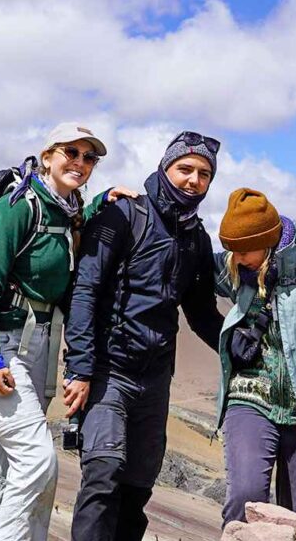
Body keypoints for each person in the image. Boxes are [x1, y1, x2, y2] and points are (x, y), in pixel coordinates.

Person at [63, 131, 228, 541]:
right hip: (108, 371)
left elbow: (201, 312)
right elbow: (85, 290)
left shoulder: (196, 238)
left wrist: (242, 346)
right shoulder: (124, 216)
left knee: (138, 488)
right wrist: (80, 368)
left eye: (204, 174)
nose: (193, 180)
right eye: (185, 169)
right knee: (103, 474)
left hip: (155, 379)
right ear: (165, 168)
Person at [0, 123, 112, 541]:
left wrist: (105, 202)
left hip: (39, 344)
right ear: (48, 155)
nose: (79, 163)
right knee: (37, 460)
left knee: (1, 460)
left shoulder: (68, 210)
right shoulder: (18, 207)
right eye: (70, 153)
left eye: (89, 157)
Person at [211, 188, 296, 524]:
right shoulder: (232, 267)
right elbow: (181, 255)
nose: (237, 257)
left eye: (244, 249)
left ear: (268, 240)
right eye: (231, 249)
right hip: (250, 397)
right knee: (245, 497)